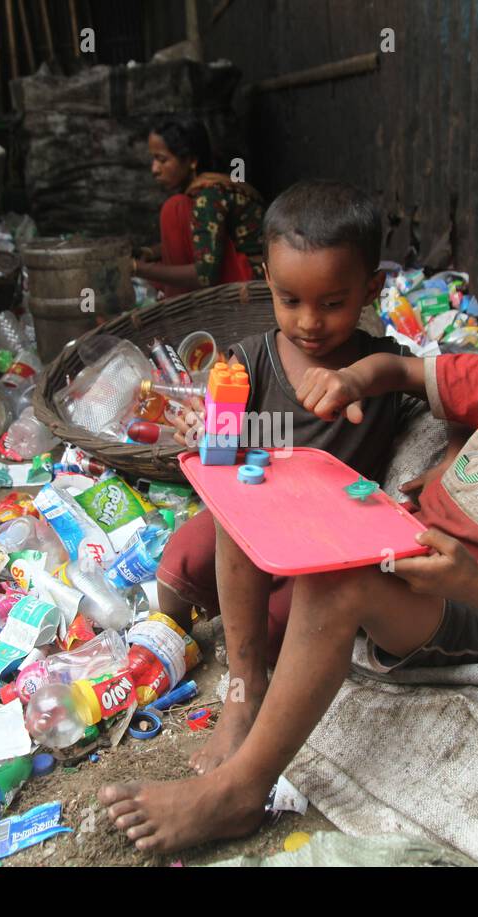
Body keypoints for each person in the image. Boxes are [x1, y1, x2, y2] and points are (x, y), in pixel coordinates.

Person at [101, 202, 478, 853]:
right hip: (396, 536)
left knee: (337, 587)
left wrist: (474, 585)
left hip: (465, 604)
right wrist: (352, 378)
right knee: (246, 503)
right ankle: (244, 694)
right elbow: (402, 370)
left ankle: (242, 791)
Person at [153, 180, 424, 774]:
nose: (309, 322)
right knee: (178, 561)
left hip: (321, 549)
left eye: (332, 302)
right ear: (266, 282)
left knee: (281, 635)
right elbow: (219, 446)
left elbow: (457, 396)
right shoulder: (248, 361)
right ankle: (173, 646)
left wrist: (445, 466)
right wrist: (203, 433)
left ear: (372, 289)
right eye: (290, 299)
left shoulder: (383, 366)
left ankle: (245, 687)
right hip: (248, 529)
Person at [133, 115, 264, 298]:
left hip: (251, 281)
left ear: (192, 160)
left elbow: (205, 275)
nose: (154, 169)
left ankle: (182, 306)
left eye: (162, 160)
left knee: (174, 208)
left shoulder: (208, 197)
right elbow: (201, 240)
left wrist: (138, 269)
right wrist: (149, 253)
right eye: (153, 159)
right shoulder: (206, 191)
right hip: (241, 273)